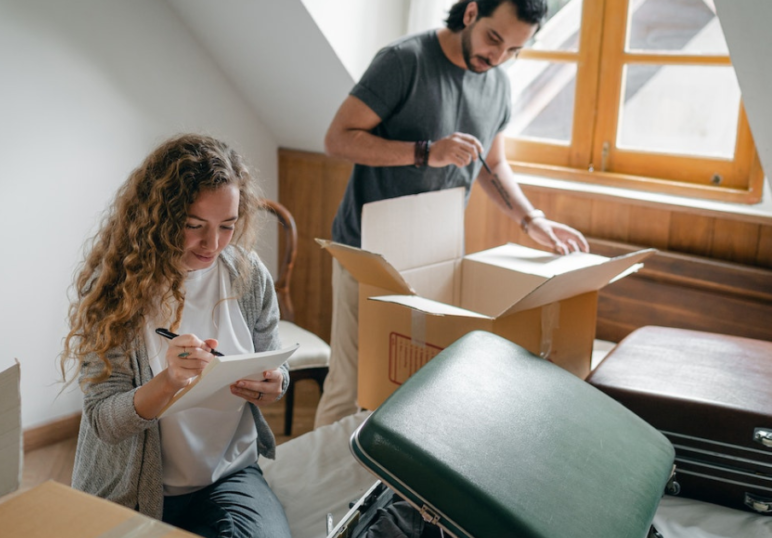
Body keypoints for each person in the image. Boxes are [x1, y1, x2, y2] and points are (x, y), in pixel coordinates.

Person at [313, 0, 591, 428]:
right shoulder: (404, 60)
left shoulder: (497, 83)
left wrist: (531, 219)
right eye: (493, 38)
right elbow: (337, 139)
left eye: (514, 50)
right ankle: (319, 495)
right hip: (367, 256)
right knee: (349, 386)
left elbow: (492, 165)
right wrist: (427, 152)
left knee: (417, 386)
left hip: (436, 259)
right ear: (470, 13)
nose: (497, 58)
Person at [61, 134, 291, 538]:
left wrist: (275, 382)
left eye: (228, 226)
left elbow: (275, 361)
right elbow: (103, 421)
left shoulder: (249, 277)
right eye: (193, 226)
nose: (213, 244)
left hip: (229, 476)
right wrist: (168, 382)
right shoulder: (115, 290)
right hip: (133, 486)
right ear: (160, 218)